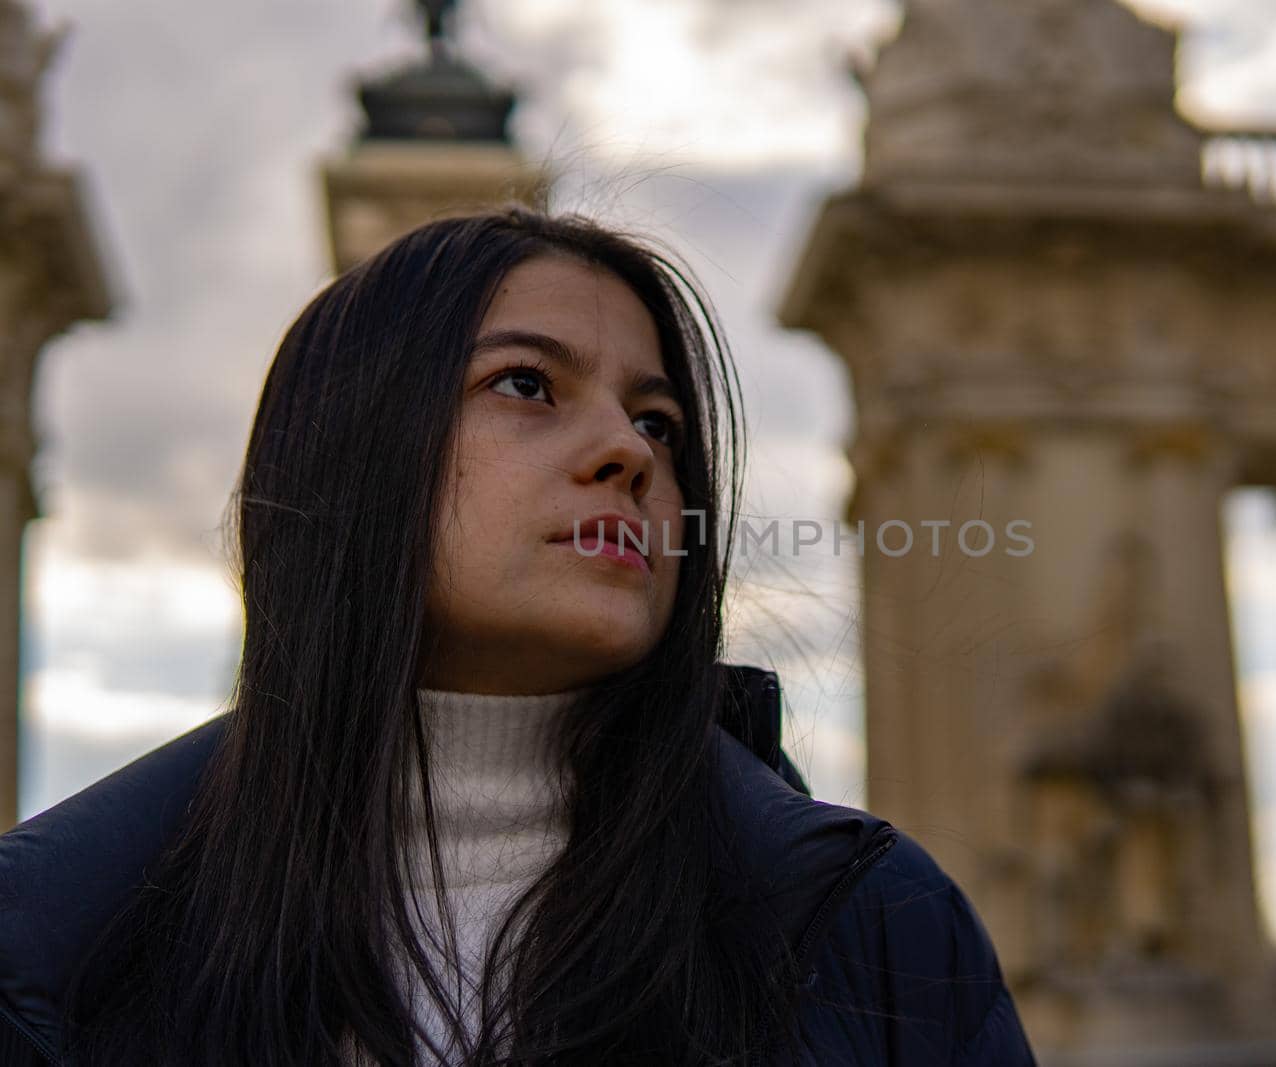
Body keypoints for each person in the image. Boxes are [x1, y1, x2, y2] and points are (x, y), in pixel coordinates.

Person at [0, 207, 1036, 1066]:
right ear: (349, 453)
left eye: (660, 423)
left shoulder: (881, 929)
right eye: (527, 384)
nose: (626, 451)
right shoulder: (50, 943)